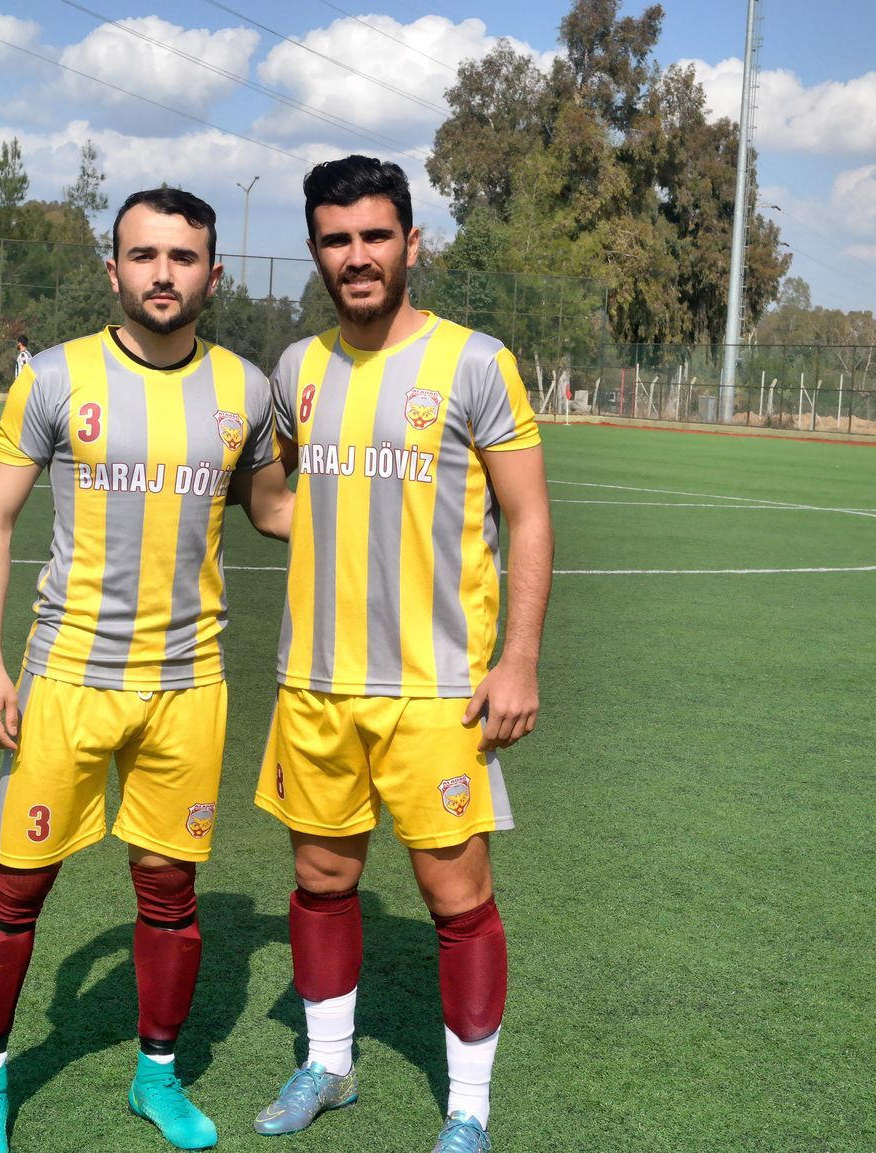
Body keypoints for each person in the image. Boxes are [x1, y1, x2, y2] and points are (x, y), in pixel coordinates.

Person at [0, 187, 293, 1153]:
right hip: (65, 675)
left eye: (183, 257)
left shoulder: (246, 388)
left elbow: (272, 509)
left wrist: (383, 522)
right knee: (17, 886)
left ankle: (156, 1076)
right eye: (143, 255)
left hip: (190, 686)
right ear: (114, 268)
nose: (162, 272)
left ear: (212, 275)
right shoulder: (56, 377)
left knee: (169, 892)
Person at [251, 156, 554, 1153]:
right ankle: (327, 1064)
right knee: (320, 879)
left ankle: (467, 1106)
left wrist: (517, 661)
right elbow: (286, 496)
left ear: (410, 243)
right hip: (316, 682)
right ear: (314, 252)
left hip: (436, 691)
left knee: (454, 898)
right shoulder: (296, 368)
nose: (356, 255)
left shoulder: (475, 363)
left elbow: (527, 513)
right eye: (335, 239)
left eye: (374, 235)